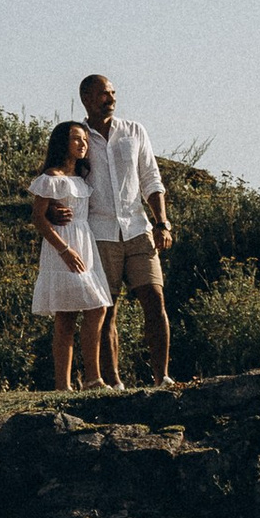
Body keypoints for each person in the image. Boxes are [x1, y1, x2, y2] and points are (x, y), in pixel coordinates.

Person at [79, 68, 172, 387]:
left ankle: (162, 377)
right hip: (99, 232)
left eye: (114, 93)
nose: (111, 99)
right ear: (87, 98)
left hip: (138, 227)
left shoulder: (134, 131)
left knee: (155, 298)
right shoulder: (77, 137)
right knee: (107, 309)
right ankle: (114, 382)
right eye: (104, 94)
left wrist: (162, 222)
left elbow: (151, 178)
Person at [27, 120, 111, 389]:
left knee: (96, 308)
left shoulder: (81, 178)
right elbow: (39, 219)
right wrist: (64, 250)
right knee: (66, 315)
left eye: (85, 139)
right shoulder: (51, 177)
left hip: (85, 244)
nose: (82, 144)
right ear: (62, 142)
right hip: (62, 247)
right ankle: (65, 384)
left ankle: (92, 378)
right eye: (76, 139)